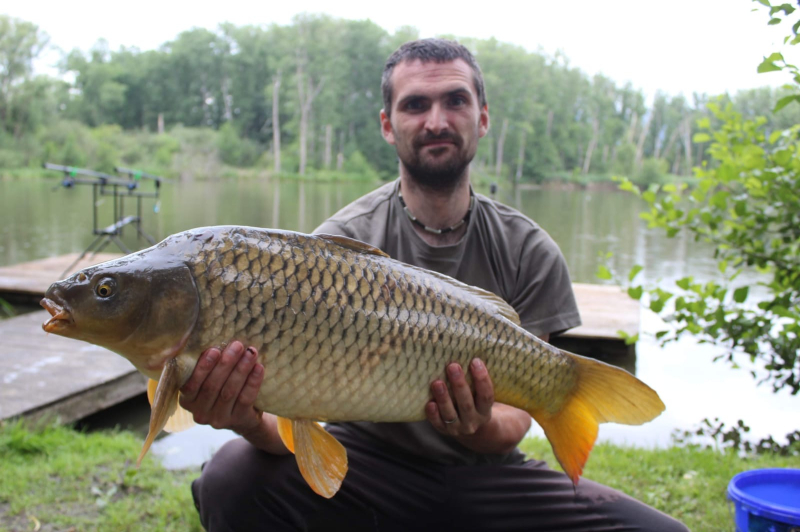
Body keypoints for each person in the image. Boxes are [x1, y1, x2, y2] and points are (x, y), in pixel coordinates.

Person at [182, 39, 688, 531]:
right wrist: (244, 417)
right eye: (416, 104)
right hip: (367, 467)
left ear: (483, 118)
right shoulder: (335, 246)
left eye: (455, 101)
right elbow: (290, 425)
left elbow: (514, 424)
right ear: (388, 124)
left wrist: (476, 424)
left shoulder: (529, 250)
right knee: (231, 477)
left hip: (485, 477)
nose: (437, 121)